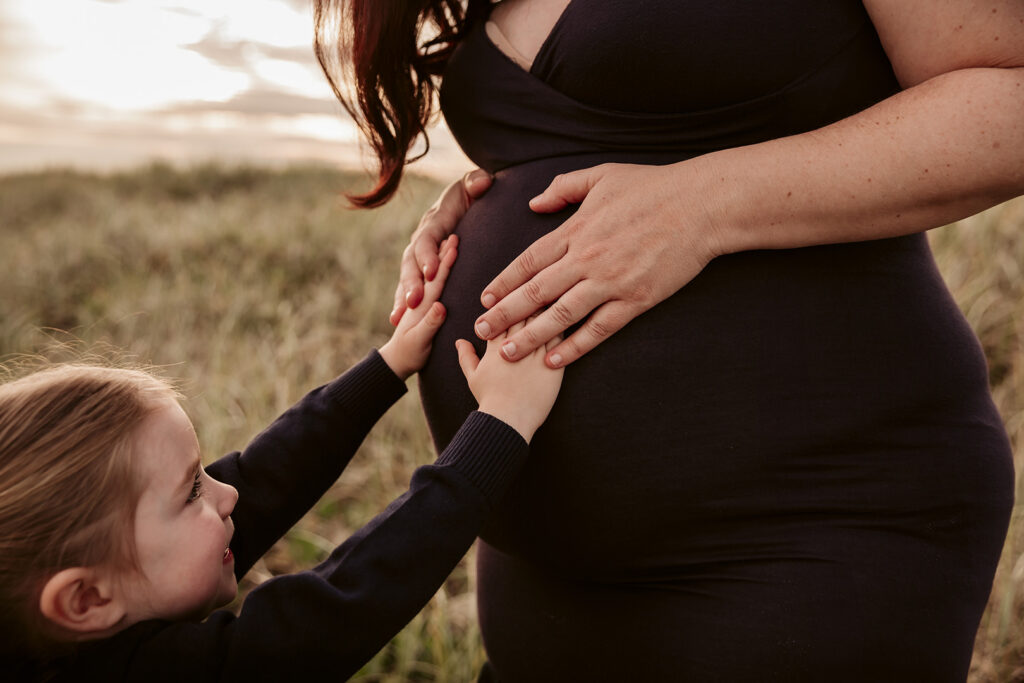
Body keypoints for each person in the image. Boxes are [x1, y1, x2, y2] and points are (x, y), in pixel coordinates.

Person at [315, 0, 1022, 680]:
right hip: (539, 570)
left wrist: (706, 204)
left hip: (810, 523)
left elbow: (1008, 93)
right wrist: (484, 196)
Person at [0, 235, 564, 682]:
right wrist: (499, 425)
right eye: (193, 490)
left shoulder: (100, 598)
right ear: (86, 599)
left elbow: (263, 478)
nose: (228, 493)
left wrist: (386, 368)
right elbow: (337, 610)